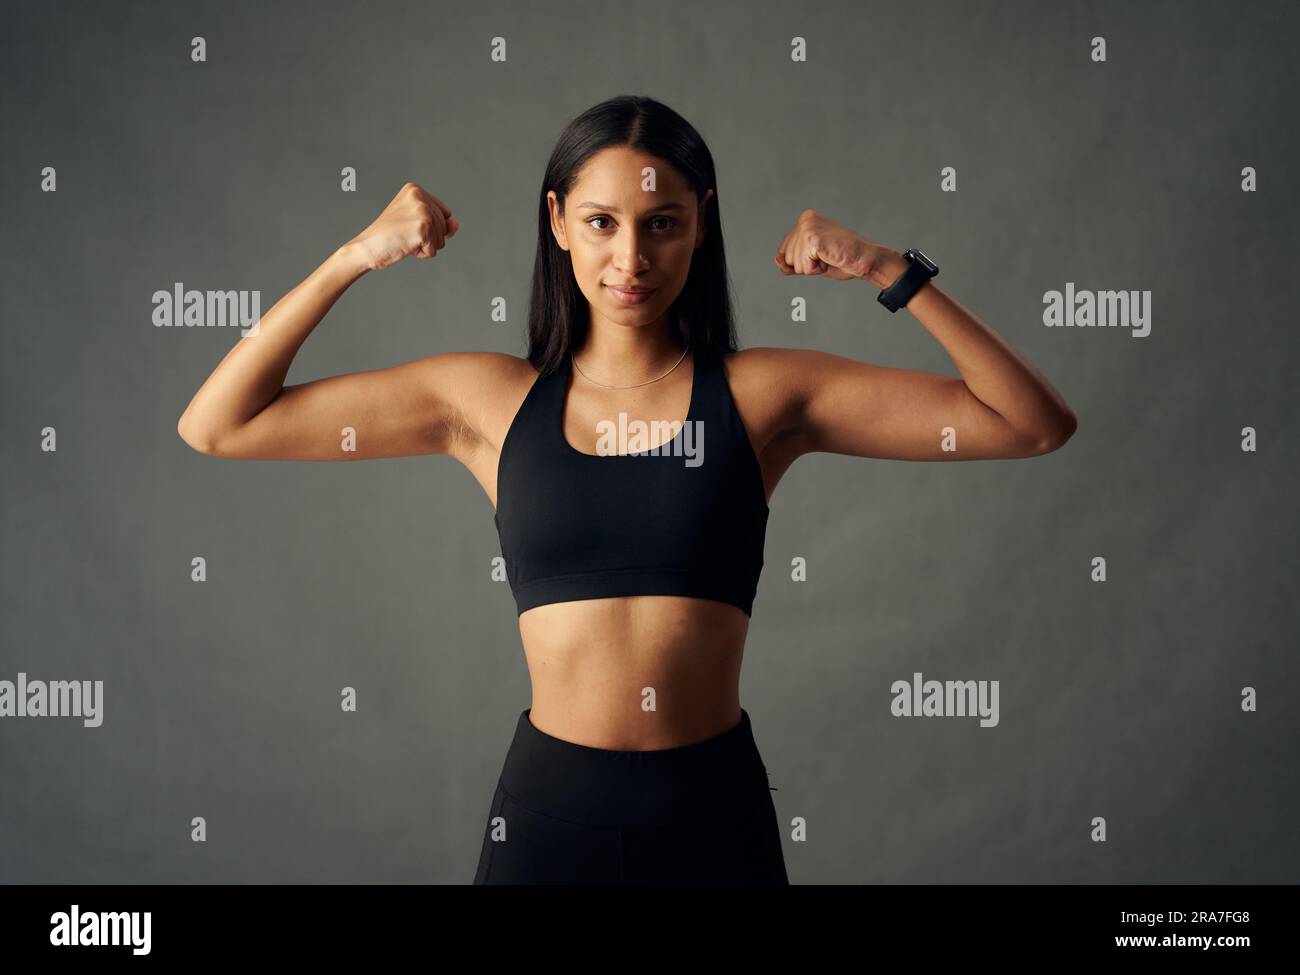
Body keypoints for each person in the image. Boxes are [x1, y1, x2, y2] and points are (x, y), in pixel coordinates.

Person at [177, 94, 1077, 885]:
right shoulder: (486, 401)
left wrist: (890, 269)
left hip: (712, 811)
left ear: (701, 223)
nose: (632, 256)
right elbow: (220, 422)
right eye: (603, 222)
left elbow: (1030, 421)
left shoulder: (764, 394)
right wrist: (356, 255)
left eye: (663, 222)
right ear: (559, 221)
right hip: (550, 816)